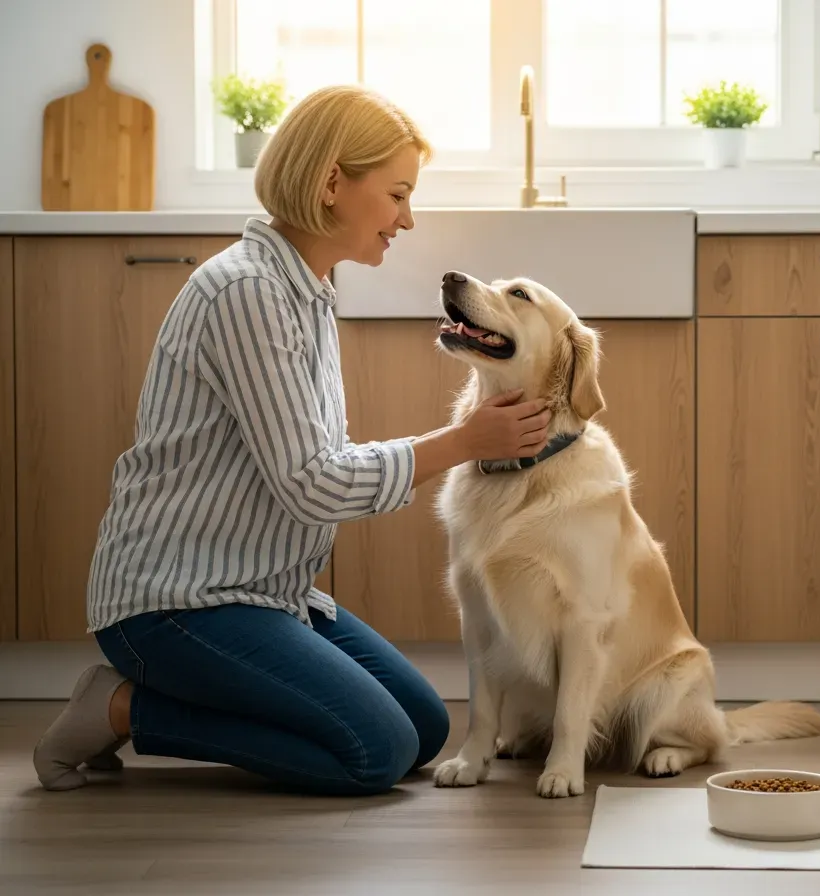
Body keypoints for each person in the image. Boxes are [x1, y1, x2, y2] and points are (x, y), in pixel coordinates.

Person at [31, 85, 551, 796]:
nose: (408, 217)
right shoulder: (246, 292)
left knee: (425, 729)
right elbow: (315, 483)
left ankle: (176, 692)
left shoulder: (304, 290)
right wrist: (463, 441)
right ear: (333, 182)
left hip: (262, 593)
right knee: (376, 752)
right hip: (175, 603)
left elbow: (317, 463)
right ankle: (122, 705)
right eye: (397, 194)